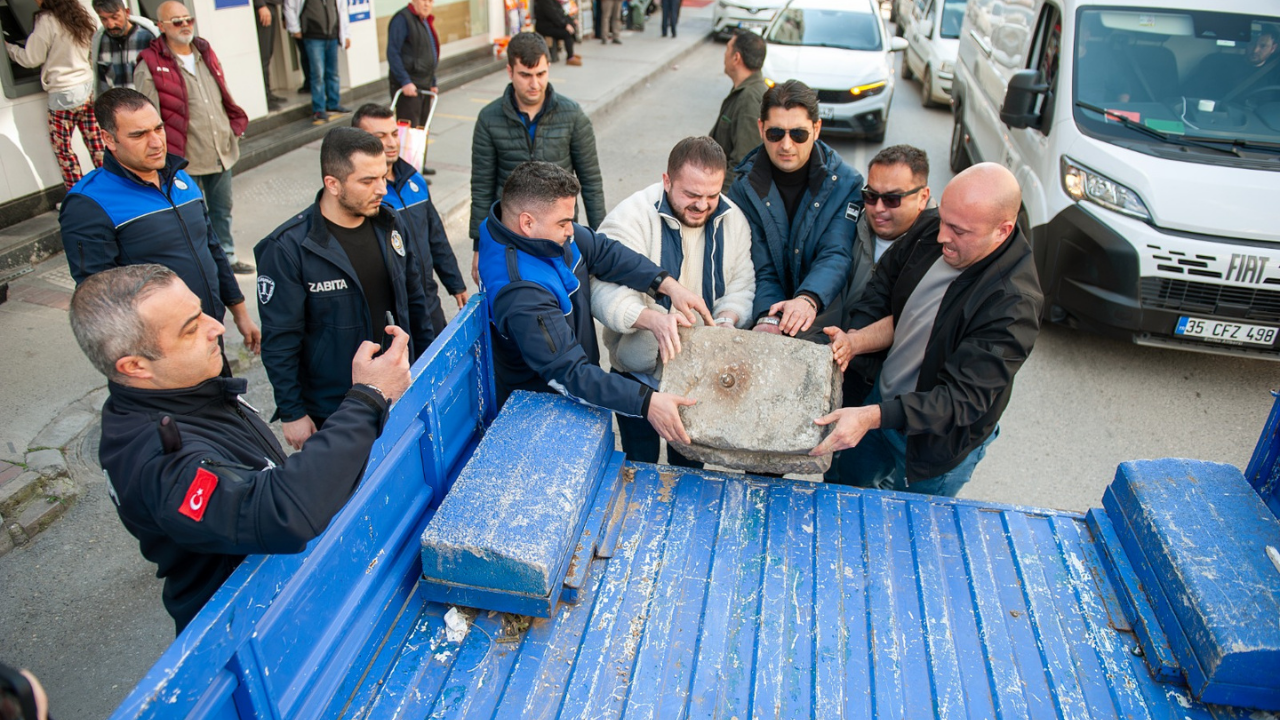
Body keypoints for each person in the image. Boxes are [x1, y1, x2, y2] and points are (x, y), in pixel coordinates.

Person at [70, 264, 411, 633]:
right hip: (244, 630)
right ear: (135, 366)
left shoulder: (185, 392)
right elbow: (284, 510)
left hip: (279, 596)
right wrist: (369, 397)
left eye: (203, 311)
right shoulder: (158, 461)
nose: (216, 328)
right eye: (191, 328)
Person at [812, 163, 1042, 497]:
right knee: (843, 493)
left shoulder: (1013, 305)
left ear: (1002, 231)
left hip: (934, 446)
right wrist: (856, 339)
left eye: (958, 231)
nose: (941, 235)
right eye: (943, 219)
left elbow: (961, 399)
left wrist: (872, 416)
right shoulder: (937, 226)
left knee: (911, 521)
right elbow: (889, 290)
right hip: (880, 403)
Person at [478, 161, 714, 446]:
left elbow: (603, 251)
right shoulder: (523, 293)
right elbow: (570, 374)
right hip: (544, 413)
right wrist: (647, 402)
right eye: (563, 223)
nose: (571, 230)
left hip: (570, 382)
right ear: (527, 222)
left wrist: (666, 284)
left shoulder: (537, 233)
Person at [255, 127, 436, 450]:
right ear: (333, 184)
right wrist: (292, 412)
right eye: (367, 181)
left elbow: (416, 302)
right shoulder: (288, 249)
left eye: (383, 176)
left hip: (398, 389)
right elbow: (280, 341)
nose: (382, 189)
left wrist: (427, 368)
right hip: (335, 407)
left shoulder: (390, 224)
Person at [59, 88, 260, 362]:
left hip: (210, 332)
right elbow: (99, 299)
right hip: (160, 355)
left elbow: (212, 249)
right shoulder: (89, 203)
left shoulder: (181, 178)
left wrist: (240, 314)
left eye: (158, 129)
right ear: (108, 139)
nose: (156, 143)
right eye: (139, 135)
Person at [591, 137, 755, 468]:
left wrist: (726, 320)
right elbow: (601, 288)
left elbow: (741, 285)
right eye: (691, 195)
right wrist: (650, 319)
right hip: (636, 374)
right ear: (667, 181)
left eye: (712, 195)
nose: (702, 205)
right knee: (638, 466)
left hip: (698, 376)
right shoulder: (631, 215)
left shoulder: (734, 219)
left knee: (689, 468)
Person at [727, 79, 863, 343]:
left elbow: (835, 253)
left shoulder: (846, 183)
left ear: (816, 128)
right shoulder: (743, 189)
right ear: (761, 128)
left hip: (821, 309)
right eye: (776, 134)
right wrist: (769, 316)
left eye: (798, 134)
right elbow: (759, 264)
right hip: (762, 306)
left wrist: (808, 299)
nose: (786, 145)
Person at [469, 33, 604, 282]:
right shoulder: (488, 118)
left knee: (564, 298)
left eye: (541, 74)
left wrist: (600, 240)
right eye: (525, 75)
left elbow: (591, 182)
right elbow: (482, 186)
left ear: (548, 68)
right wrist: (479, 246)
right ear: (510, 71)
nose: (535, 83)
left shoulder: (572, 115)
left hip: (558, 236)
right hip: (508, 237)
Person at [136, 2, 253, 275]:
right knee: (189, 216)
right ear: (161, 26)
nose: (185, 25)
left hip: (220, 149)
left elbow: (222, 92)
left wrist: (234, 127)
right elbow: (147, 118)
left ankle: (227, 257)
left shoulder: (204, 51)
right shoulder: (149, 64)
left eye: (188, 19)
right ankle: (200, 264)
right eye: (177, 21)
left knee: (222, 209)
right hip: (185, 157)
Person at [836, 144, 938, 410]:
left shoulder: (939, 246)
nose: (878, 208)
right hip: (845, 362)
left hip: (892, 388)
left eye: (892, 199)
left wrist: (854, 342)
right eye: (870, 196)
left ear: (923, 197)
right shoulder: (849, 224)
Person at [352, 103, 465, 333]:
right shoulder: (363, 197)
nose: (392, 143)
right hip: (392, 313)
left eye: (394, 134)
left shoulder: (415, 180)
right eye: (380, 136)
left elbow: (435, 236)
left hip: (428, 301)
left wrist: (455, 283)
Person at [5, 0, 104, 189]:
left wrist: (8, 47)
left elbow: (31, 59)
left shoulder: (46, 20)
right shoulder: (79, 14)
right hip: (87, 88)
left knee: (64, 151)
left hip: (63, 94)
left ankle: (77, 196)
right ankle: (113, 188)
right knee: (97, 145)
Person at [386, 0, 441, 178]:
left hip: (424, 83)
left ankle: (419, 165)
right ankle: (407, 172)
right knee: (407, 131)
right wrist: (405, 81)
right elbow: (393, 53)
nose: (427, 4)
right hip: (409, 85)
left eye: (430, 1)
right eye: (423, 0)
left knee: (421, 128)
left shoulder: (424, 20)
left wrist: (432, 81)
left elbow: (429, 54)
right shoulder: (402, 19)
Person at [710, 28, 767, 193]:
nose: (724, 55)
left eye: (727, 49)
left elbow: (744, 163)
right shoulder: (743, 90)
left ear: (736, 58)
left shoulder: (749, 98)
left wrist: (720, 200)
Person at [285, 0, 352, 124]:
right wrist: (295, 28)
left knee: (333, 73)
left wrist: (346, 35)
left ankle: (333, 104)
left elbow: (342, 11)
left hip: (332, 36)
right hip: (313, 37)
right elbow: (289, 7)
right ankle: (319, 109)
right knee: (317, 75)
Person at [90, 0, 159, 96]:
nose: (110, 24)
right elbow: (102, 82)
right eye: (103, 19)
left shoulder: (148, 38)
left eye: (115, 17)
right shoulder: (100, 41)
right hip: (116, 102)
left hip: (145, 101)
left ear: (127, 13)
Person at [254, 0, 286, 110]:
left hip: (270, 6)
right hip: (263, 7)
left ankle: (268, 92)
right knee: (263, 55)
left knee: (268, 53)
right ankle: (265, 97)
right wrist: (260, 5)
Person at [533, 0, 582, 66]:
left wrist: (571, 21)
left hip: (552, 25)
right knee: (567, 33)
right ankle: (570, 57)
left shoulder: (552, 2)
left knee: (571, 28)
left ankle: (571, 54)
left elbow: (561, 13)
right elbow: (554, 16)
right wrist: (565, 25)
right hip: (545, 27)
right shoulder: (545, 2)